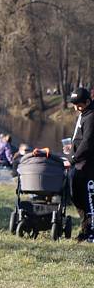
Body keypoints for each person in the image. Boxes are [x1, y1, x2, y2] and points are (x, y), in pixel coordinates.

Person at [64, 87, 94, 242]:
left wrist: (73, 158)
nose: (76, 108)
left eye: (79, 105)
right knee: (76, 197)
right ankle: (85, 230)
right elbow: (80, 138)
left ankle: (90, 233)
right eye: (74, 105)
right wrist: (72, 147)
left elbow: (88, 142)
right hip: (78, 164)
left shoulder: (92, 116)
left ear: (88, 102)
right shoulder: (84, 114)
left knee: (88, 199)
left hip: (87, 165)